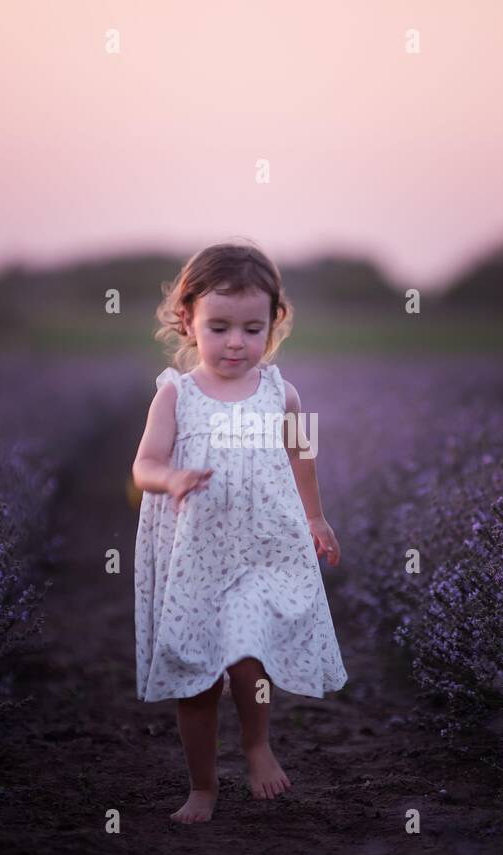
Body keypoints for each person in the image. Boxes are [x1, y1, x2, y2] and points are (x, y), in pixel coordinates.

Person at [132, 240, 348, 824]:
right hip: (196, 557)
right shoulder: (176, 393)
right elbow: (143, 465)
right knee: (196, 680)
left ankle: (256, 745)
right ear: (188, 321)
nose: (236, 342)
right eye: (220, 327)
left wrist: (316, 516)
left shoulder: (284, 393)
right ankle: (203, 786)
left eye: (252, 329)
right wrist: (171, 478)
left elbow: (303, 456)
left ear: (274, 324)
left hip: (263, 547)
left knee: (249, 653)